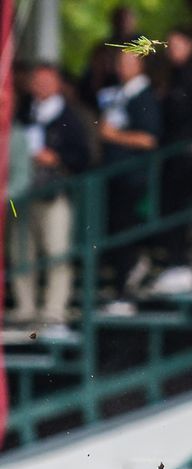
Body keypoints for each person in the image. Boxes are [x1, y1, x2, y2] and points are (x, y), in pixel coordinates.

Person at [10, 63, 91, 330]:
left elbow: (84, 157)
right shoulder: (22, 113)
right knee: (22, 252)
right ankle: (26, 307)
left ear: (58, 84)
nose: (43, 86)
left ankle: (54, 309)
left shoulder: (71, 116)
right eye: (38, 81)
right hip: (22, 194)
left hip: (54, 193)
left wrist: (56, 159)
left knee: (57, 252)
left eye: (48, 81)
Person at [149, 28, 192, 292]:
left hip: (185, 154)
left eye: (178, 45)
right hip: (174, 153)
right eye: (170, 46)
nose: (173, 51)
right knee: (172, 208)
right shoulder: (172, 77)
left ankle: (180, 263)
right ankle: (176, 262)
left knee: (179, 209)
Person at [98, 50, 162, 300]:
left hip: (132, 177)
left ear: (141, 65)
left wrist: (113, 136)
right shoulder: (120, 94)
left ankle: (126, 288)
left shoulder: (143, 96)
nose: (122, 67)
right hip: (117, 177)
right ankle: (122, 284)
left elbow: (149, 139)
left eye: (128, 62)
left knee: (125, 231)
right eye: (119, 62)